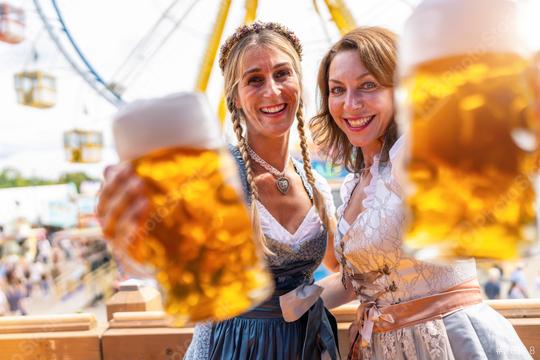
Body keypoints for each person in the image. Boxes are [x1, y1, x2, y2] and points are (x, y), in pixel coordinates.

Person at [97, 21, 340, 360]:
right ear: (235, 98)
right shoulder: (215, 177)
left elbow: (340, 267)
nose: (272, 90)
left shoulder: (316, 185)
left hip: (306, 345)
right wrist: (128, 242)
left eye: (283, 74)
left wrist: (307, 300)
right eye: (254, 80)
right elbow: (164, 251)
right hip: (233, 347)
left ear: (299, 82)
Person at [310, 26, 531, 359]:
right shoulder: (359, 182)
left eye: (368, 85)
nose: (350, 104)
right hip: (382, 347)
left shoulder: (414, 156)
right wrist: (281, 307)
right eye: (337, 89)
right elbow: (366, 281)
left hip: (452, 343)